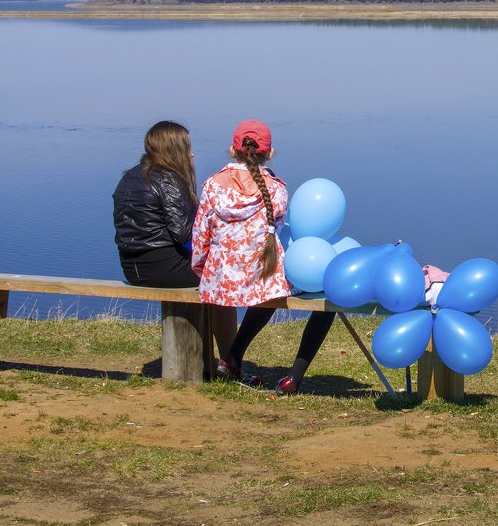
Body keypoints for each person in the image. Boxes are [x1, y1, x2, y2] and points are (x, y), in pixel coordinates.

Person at [192, 119, 333, 394]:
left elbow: (201, 235)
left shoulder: (211, 186)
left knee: (263, 291)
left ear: (233, 151)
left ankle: (232, 359)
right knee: (326, 296)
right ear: (269, 153)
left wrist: (203, 271)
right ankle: (288, 375)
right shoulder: (277, 190)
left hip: (221, 279)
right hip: (260, 279)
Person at [112, 120, 236, 362]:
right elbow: (184, 233)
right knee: (222, 282)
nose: (191, 153)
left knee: (211, 275)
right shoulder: (168, 178)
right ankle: (230, 361)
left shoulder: (129, 177)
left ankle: (209, 360)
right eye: (187, 147)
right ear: (174, 148)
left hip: (131, 267)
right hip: (164, 268)